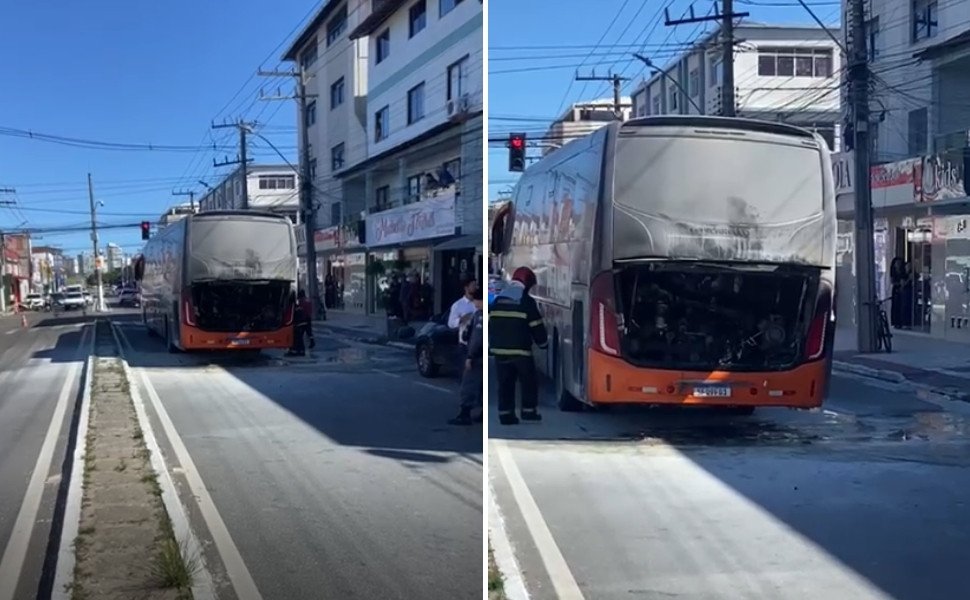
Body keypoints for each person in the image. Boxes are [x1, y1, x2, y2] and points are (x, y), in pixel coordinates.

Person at [489, 266, 547, 425]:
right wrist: (543, 344)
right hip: (520, 351)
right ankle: (528, 412)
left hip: (500, 351)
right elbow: (536, 325)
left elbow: (490, 322)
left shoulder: (499, 299)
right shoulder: (526, 300)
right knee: (528, 382)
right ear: (527, 283)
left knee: (505, 384)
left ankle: (505, 415)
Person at [448, 288, 484, 425]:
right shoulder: (481, 313)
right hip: (481, 353)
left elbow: (477, 338)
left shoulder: (480, 315)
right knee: (480, 385)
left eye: (476, 300)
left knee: (468, 384)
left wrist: (470, 356)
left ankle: (465, 414)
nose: (475, 303)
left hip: (476, 355)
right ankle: (481, 412)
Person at [448, 276, 479, 376]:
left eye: (476, 285)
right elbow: (451, 323)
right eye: (473, 285)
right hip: (465, 344)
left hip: (477, 344)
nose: (475, 287)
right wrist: (461, 319)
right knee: (465, 374)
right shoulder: (458, 305)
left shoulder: (478, 304)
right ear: (466, 288)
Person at [286, 289, 315, 357]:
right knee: (308, 332)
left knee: (298, 337)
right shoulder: (307, 303)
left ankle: (298, 350)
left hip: (302, 322)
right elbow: (309, 312)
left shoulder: (300, 304)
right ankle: (311, 343)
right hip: (307, 320)